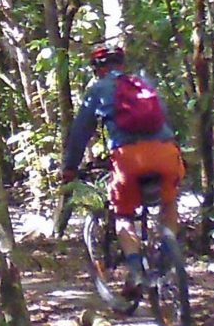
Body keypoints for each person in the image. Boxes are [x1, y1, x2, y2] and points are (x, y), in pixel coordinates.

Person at [58, 40, 186, 273]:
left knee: (123, 215)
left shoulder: (97, 90)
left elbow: (80, 133)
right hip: (166, 153)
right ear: (122, 63)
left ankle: (137, 272)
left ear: (97, 69)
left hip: (129, 159)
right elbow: (165, 118)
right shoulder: (145, 84)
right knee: (169, 202)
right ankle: (168, 253)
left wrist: (69, 168)